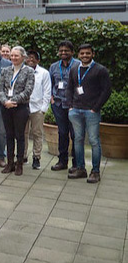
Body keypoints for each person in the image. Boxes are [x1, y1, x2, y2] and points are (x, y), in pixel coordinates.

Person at [67, 43, 111, 183]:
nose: (85, 56)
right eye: (82, 53)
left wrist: (96, 108)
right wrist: (70, 106)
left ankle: (95, 171)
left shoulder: (100, 70)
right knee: (78, 140)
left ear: (93, 54)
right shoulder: (74, 69)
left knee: (93, 141)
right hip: (76, 111)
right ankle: (80, 169)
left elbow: (106, 91)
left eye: (87, 53)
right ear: (78, 55)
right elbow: (69, 88)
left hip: (91, 112)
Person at [0, 46, 35, 176]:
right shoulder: (5, 70)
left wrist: (13, 101)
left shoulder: (29, 71)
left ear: (23, 57)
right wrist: (5, 101)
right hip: (6, 106)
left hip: (20, 107)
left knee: (20, 136)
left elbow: (28, 90)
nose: (13, 58)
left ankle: (19, 164)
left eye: (16, 56)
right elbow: (0, 88)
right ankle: (10, 163)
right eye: (12, 56)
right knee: (9, 135)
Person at [49, 41, 80, 171]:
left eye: (66, 50)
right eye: (61, 50)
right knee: (62, 133)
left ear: (72, 52)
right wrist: (50, 97)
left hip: (74, 105)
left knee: (75, 134)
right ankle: (62, 161)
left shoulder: (78, 65)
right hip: (58, 104)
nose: (63, 53)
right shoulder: (54, 66)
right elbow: (50, 83)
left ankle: (77, 163)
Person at [22, 50, 51, 170]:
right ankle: (22, 156)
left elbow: (47, 91)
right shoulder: (21, 71)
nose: (31, 60)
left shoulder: (44, 73)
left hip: (37, 108)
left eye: (33, 58)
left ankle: (36, 157)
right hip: (23, 106)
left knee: (37, 133)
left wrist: (43, 109)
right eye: (28, 57)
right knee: (23, 133)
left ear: (38, 60)